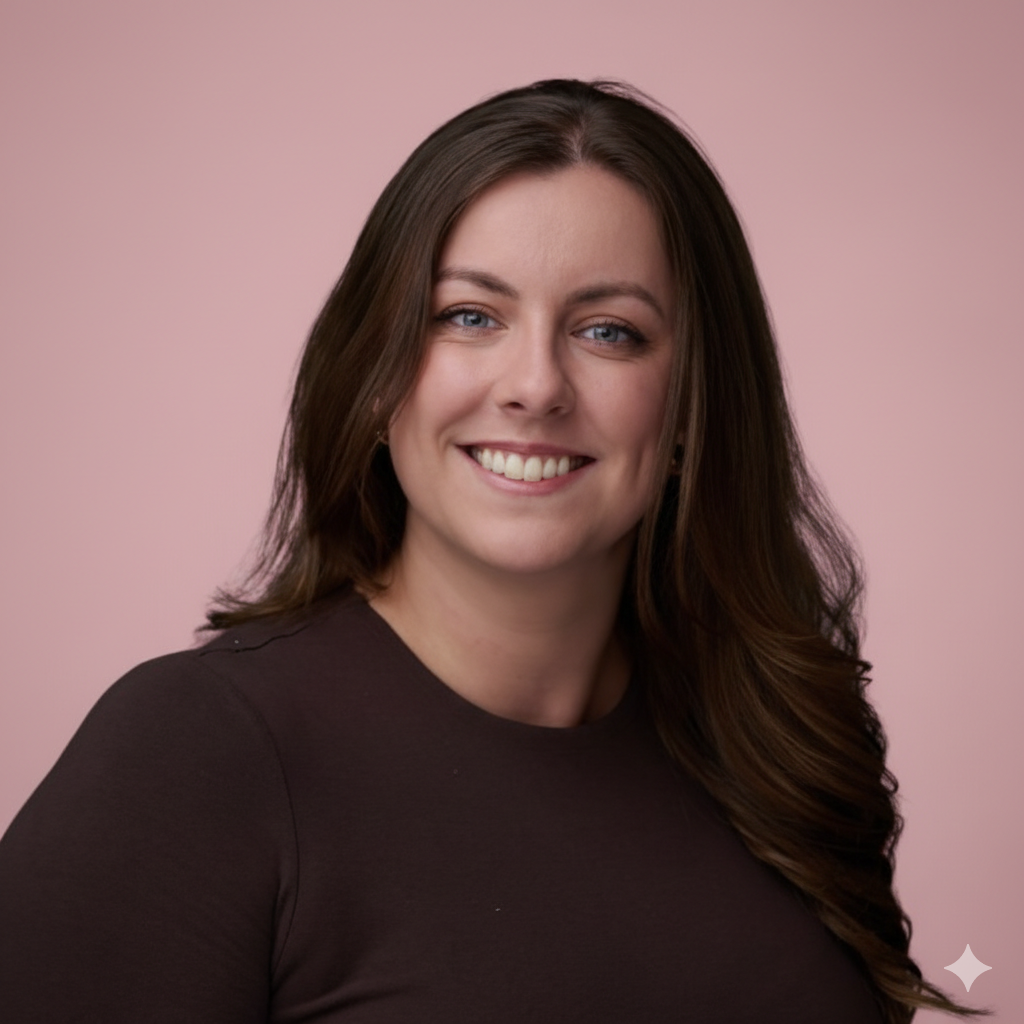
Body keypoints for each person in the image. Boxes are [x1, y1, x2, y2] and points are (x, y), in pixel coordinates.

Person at [0, 79, 978, 1023]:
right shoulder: (196, 753)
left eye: (609, 331)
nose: (534, 385)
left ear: (693, 407)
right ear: (378, 373)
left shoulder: (778, 748)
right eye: (469, 316)